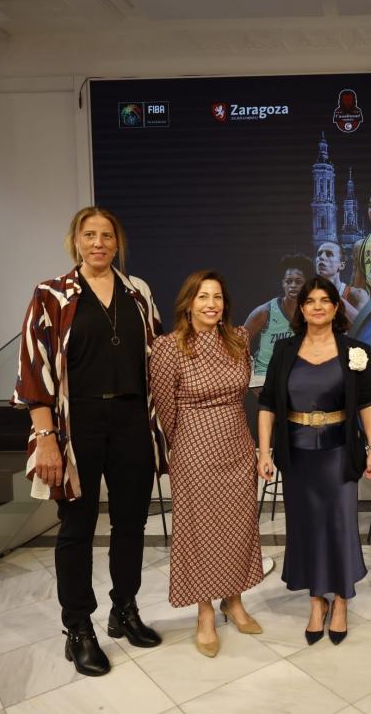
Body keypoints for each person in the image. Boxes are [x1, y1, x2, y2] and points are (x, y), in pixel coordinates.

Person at [11, 207, 164, 677]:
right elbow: (34, 370)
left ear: (118, 242)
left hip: (132, 419)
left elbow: (159, 357)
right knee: (76, 527)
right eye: (89, 234)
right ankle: (78, 627)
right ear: (75, 241)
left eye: (107, 235)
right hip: (77, 423)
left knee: (131, 522)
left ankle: (124, 608)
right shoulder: (52, 294)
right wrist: (46, 437)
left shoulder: (138, 292)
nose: (99, 243)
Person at [256, 277, 371, 645]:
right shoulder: (284, 350)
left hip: (339, 451)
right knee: (305, 527)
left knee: (340, 525)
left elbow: (367, 402)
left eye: (325, 300)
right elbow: (267, 404)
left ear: (336, 307)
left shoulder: (354, 350)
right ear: (302, 308)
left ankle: (340, 600)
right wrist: (264, 452)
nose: (317, 307)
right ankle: (316, 600)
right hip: (297, 454)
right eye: (310, 301)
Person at [149, 270, 265, 657]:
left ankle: (234, 601)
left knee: (238, 525)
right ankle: (204, 613)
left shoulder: (239, 339)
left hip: (237, 444)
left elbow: (244, 391)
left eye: (217, 297)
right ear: (188, 303)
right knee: (200, 532)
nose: (211, 304)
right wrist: (185, 445)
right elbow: (165, 407)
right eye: (203, 297)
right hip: (193, 448)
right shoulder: (168, 346)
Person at [244, 253, 313, 387]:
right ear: (283, 283)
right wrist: (248, 374)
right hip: (264, 379)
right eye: (288, 281)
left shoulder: (313, 314)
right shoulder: (264, 312)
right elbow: (238, 344)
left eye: (298, 282)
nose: (293, 285)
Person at [315, 240, 368, 322]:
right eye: (319, 254)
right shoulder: (307, 295)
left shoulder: (357, 295)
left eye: (329, 254)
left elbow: (364, 326)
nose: (321, 257)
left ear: (341, 265)